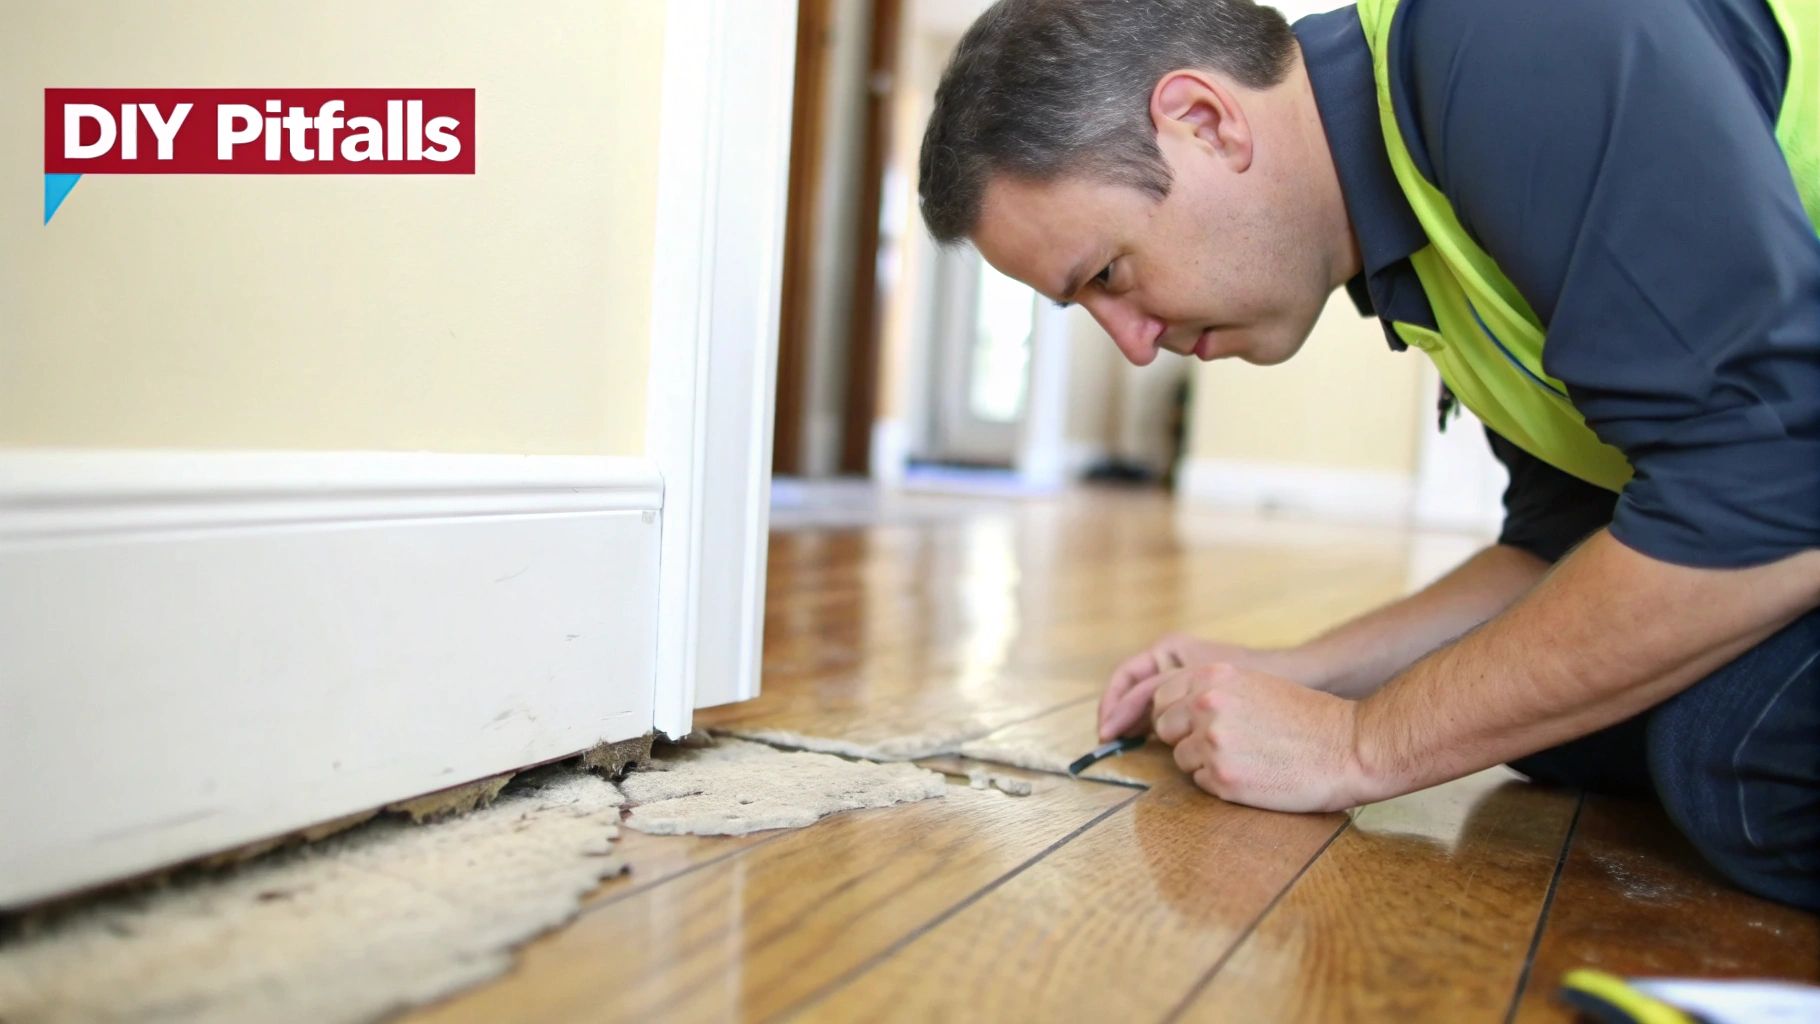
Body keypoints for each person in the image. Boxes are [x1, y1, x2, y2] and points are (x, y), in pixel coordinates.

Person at [916, 0, 1819, 910]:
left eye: (1108, 275)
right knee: (1548, 716)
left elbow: (1773, 484)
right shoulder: (1422, 238)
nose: (1136, 344)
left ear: (1205, 121)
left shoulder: (1518, 37)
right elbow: (1568, 543)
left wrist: (1359, 745)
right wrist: (1306, 672)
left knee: (1739, 750)